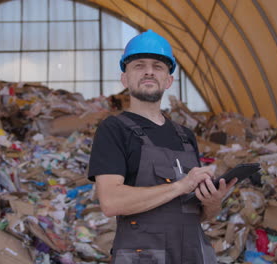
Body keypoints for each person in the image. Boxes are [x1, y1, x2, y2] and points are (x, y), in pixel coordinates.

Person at [87, 29, 237, 264]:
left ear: (169, 80)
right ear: (125, 78)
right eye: (139, 65)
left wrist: (213, 201)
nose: (149, 71)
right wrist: (182, 185)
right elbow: (111, 202)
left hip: (192, 255)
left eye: (158, 66)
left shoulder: (186, 136)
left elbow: (201, 216)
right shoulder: (114, 129)